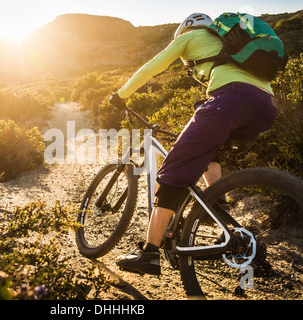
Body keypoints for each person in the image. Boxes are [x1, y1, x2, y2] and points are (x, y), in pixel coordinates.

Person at [109, 13, 279, 276]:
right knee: (209, 156)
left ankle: (150, 254)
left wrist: (120, 95)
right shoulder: (231, 44)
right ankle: (218, 209)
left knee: (171, 175)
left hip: (230, 99)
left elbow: (152, 67)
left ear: (185, 30)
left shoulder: (190, 37)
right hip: (266, 106)